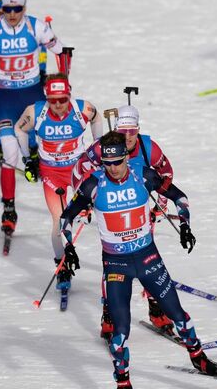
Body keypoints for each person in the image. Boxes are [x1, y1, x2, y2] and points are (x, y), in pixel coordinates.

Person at [59, 131, 217, 387]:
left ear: (126, 156)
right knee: (120, 333)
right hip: (116, 265)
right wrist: (69, 247)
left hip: (148, 258)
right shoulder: (93, 184)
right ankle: (123, 382)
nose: (113, 169)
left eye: (118, 162)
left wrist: (186, 226)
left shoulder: (143, 175)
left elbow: (180, 197)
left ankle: (198, 357)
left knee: (180, 316)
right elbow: (66, 217)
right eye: (107, 163)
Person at [0, 0, 70, 238]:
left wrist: (63, 83)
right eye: (7, 9)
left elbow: (62, 52)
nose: (12, 14)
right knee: (9, 154)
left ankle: (71, 198)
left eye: (17, 9)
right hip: (5, 100)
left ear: (24, 7)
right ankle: (9, 210)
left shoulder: (38, 28)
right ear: (2, 8)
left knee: (53, 146)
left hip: (33, 97)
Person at [71, 105, 177, 340]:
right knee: (113, 261)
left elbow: (166, 174)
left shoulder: (149, 147)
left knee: (148, 259)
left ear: (138, 129)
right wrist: (84, 199)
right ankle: (109, 311)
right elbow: (78, 170)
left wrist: (161, 205)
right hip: (111, 210)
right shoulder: (103, 148)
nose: (127, 136)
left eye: (131, 131)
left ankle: (155, 307)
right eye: (123, 131)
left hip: (139, 211)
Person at [13, 74, 100, 292]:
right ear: (47, 97)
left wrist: (98, 147)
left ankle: (121, 255)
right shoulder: (36, 112)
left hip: (79, 170)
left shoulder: (83, 109)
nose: (59, 105)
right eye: (53, 100)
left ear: (69, 95)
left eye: (63, 99)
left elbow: (97, 118)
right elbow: (19, 129)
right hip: (51, 174)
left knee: (103, 210)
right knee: (58, 222)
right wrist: (27, 158)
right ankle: (61, 265)